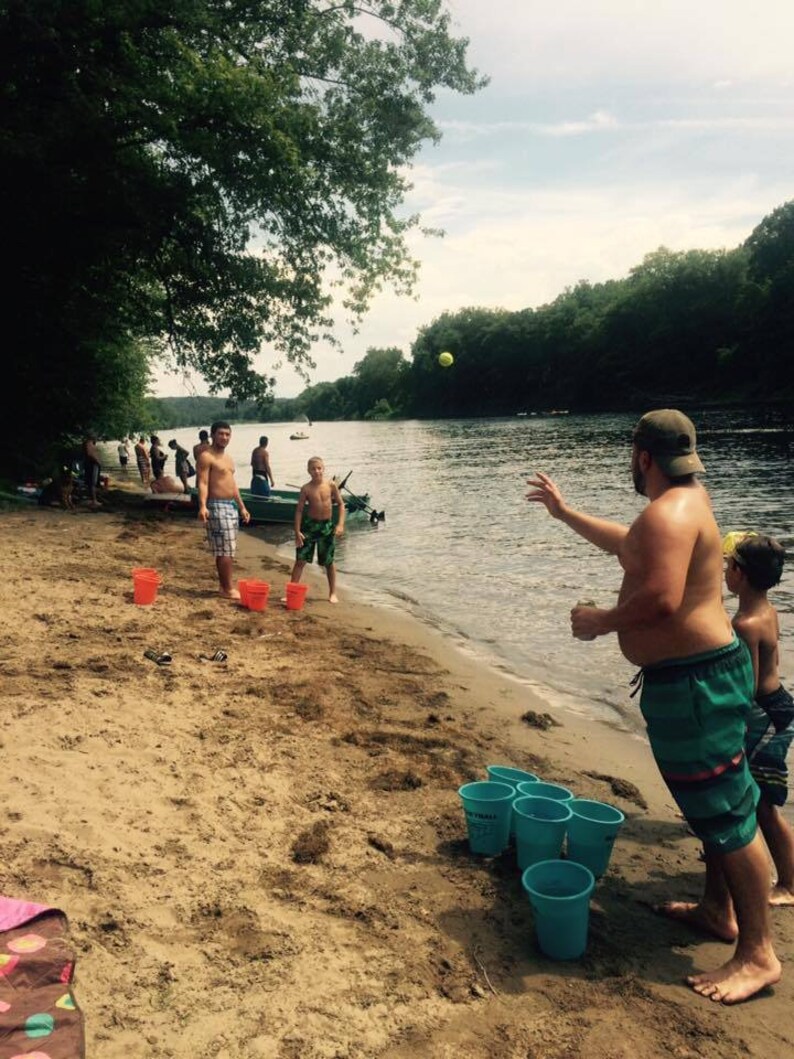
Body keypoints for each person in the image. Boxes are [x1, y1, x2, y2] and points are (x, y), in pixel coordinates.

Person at [526, 409, 781, 1004]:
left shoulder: (666, 514)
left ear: (642, 456)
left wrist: (600, 622)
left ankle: (758, 954)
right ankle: (719, 910)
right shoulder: (687, 502)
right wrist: (565, 515)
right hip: (699, 682)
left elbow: (662, 599)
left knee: (727, 816)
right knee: (715, 806)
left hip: (697, 686)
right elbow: (635, 545)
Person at [196, 421, 250, 599]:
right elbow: (202, 483)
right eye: (221, 434)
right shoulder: (206, 456)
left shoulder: (228, 459)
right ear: (212, 435)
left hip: (230, 506)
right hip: (216, 505)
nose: (224, 437)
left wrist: (242, 506)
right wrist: (203, 505)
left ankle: (223, 587)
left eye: (227, 434)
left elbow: (232, 485)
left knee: (228, 549)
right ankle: (227, 588)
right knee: (225, 549)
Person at [291, 456, 345, 603]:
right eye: (313, 469)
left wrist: (340, 524)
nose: (316, 471)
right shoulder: (306, 488)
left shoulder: (331, 485)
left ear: (323, 468)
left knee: (329, 562)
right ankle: (292, 591)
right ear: (308, 471)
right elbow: (299, 511)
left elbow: (341, 505)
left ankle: (332, 593)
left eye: (319, 468)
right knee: (300, 560)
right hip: (309, 526)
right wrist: (297, 531)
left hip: (326, 526)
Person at [82, 436, 102, 508]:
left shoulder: (87, 443)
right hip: (93, 465)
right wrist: (97, 461)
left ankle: (92, 499)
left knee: (91, 482)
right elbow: (89, 453)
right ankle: (94, 500)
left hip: (91, 464)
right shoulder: (89, 443)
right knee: (93, 482)